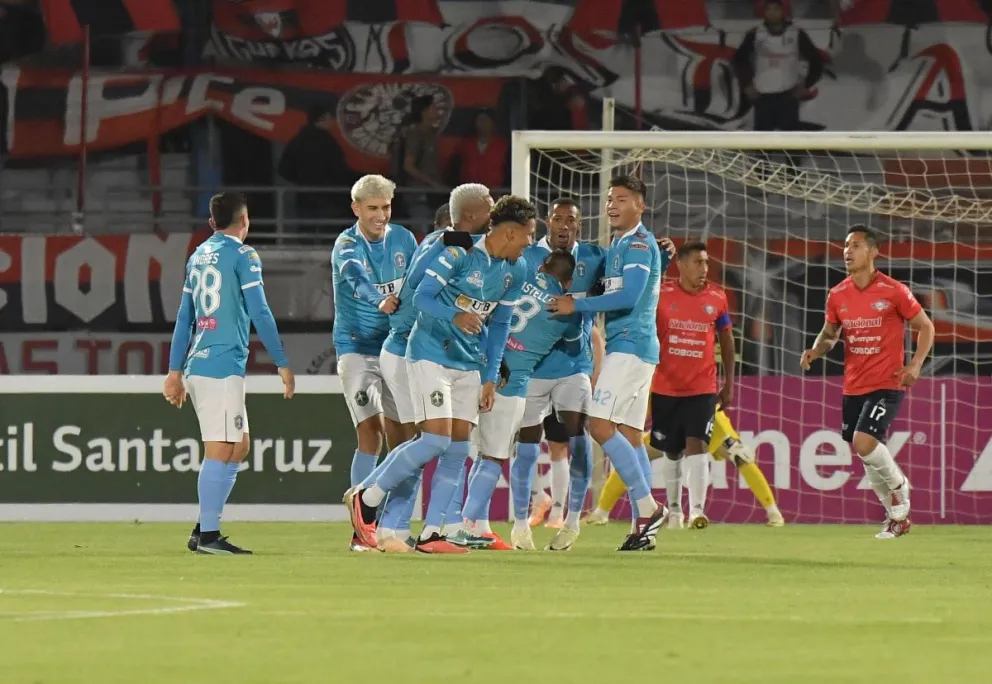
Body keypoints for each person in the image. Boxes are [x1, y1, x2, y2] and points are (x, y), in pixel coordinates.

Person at [346, 195, 536, 554]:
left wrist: (490, 376)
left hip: (469, 363)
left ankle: (433, 533)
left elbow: (501, 326)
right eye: (528, 235)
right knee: (434, 439)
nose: (530, 242)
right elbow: (421, 298)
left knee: (458, 449)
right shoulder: (458, 253)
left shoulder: (517, 269)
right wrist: (456, 315)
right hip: (429, 353)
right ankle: (367, 497)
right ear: (510, 233)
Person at [163, 192, 295, 555]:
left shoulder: (198, 256)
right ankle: (208, 536)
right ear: (245, 220)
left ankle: (204, 526)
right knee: (221, 448)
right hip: (220, 366)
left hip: (202, 363)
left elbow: (185, 318)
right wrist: (282, 361)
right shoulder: (243, 255)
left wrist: (175, 371)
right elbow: (260, 312)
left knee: (239, 446)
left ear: (212, 222)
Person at [548, 176, 671, 551]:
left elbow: (631, 296)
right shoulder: (618, 245)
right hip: (634, 347)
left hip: (631, 346)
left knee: (599, 424)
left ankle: (649, 508)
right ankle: (642, 528)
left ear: (640, 205)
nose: (612, 205)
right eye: (609, 199)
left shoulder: (636, 243)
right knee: (631, 438)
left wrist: (577, 305)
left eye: (621, 199)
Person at [369, 184, 494, 552]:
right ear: (468, 217)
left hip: (427, 352)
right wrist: (445, 241)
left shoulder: (467, 250)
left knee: (436, 444)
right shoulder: (442, 245)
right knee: (424, 442)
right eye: (488, 210)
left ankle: (410, 528)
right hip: (409, 350)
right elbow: (414, 287)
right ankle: (381, 518)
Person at [801, 225, 934, 539]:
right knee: (864, 452)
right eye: (846, 245)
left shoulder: (893, 290)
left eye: (856, 245)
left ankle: (900, 488)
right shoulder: (838, 294)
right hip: (853, 385)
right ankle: (895, 519)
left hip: (887, 383)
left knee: (864, 442)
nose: (848, 251)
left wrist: (915, 363)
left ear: (874, 252)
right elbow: (830, 334)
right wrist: (816, 350)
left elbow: (926, 327)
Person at [450, 250, 583, 551]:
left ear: (542, 266)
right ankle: (466, 525)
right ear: (568, 281)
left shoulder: (517, 280)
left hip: (477, 367)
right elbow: (575, 348)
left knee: (475, 451)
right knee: (495, 456)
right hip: (512, 382)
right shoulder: (567, 311)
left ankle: (477, 525)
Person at [330, 174, 418, 551]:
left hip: (397, 348)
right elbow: (355, 278)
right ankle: (360, 530)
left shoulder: (404, 240)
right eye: (372, 209)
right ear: (356, 209)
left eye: (385, 207)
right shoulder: (347, 244)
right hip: (356, 349)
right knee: (371, 433)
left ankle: (392, 527)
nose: (380, 215)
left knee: (407, 438)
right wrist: (377, 300)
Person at [513, 198, 605, 547]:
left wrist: (663, 258)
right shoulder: (526, 256)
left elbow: (625, 281)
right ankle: (520, 523)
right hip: (532, 368)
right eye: (557, 218)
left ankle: (572, 521)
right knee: (525, 445)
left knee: (577, 439)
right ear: (546, 223)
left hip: (573, 367)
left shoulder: (595, 258)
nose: (563, 225)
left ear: (579, 225)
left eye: (571, 219)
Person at [585, 407, 785, 527]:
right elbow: (646, 407)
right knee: (631, 455)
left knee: (740, 455)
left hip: (705, 420)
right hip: (672, 422)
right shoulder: (655, 371)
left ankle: (773, 512)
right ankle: (601, 512)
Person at [732, 0, 824, 133]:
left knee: (790, 143)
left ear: (782, 11)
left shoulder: (796, 33)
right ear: (764, 12)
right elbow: (739, 59)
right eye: (769, 9)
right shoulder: (756, 33)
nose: (772, 13)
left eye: (776, 9)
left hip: (788, 95)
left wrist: (805, 85)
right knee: (762, 144)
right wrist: (747, 85)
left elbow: (816, 62)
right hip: (762, 96)